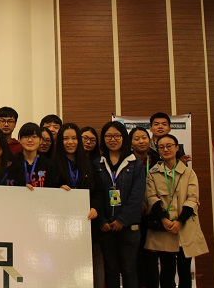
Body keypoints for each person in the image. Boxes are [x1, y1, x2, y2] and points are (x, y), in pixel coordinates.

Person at [145, 134, 208, 288]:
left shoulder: (189, 173)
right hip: (164, 226)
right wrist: (164, 219)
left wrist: (180, 221)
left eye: (169, 146)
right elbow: (151, 198)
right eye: (161, 147)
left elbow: (193, 199)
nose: (165, 149)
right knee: (166, 270)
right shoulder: (152, 173)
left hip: (184, 226)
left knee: (185, 270)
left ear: (177, 148)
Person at [94, 121, 145, 288]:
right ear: (103, 139)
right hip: (105, 227)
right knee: (111, 270)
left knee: (129, 270)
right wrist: (102, 220)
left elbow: (137, 196)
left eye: (117, 135)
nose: (112, 139)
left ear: (124, 138)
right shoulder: (97, 163)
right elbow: (96, 194)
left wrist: (122, 220)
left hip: (129, 227)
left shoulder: (135, 164)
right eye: (108, 136)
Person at [56, 123, 103, 288]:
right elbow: (46, 192)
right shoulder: (53, 163)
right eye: (65, 138)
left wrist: (95, 207)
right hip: (61, 227)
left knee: (92, 267)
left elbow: (98, 192)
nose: (70, 142)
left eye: (74, 138)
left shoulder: (89, 164)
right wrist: (57, 190)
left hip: (87, 223)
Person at [129, 126, 160, 288]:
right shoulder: (127, 161)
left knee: (152, 258)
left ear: (149, 140)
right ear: (130, 143)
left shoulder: (157, 159)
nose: (141, 141)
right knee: (136, 258)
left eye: (144, 138)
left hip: (155, 215)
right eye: (136, 138)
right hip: (134, 215)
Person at [15, 122, 59, 189]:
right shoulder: (12, 162)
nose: (30, 140)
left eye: (34, 137)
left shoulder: (48, 164)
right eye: (25, 137)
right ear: (20, 140)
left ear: (40, 140)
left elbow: (53, 188)